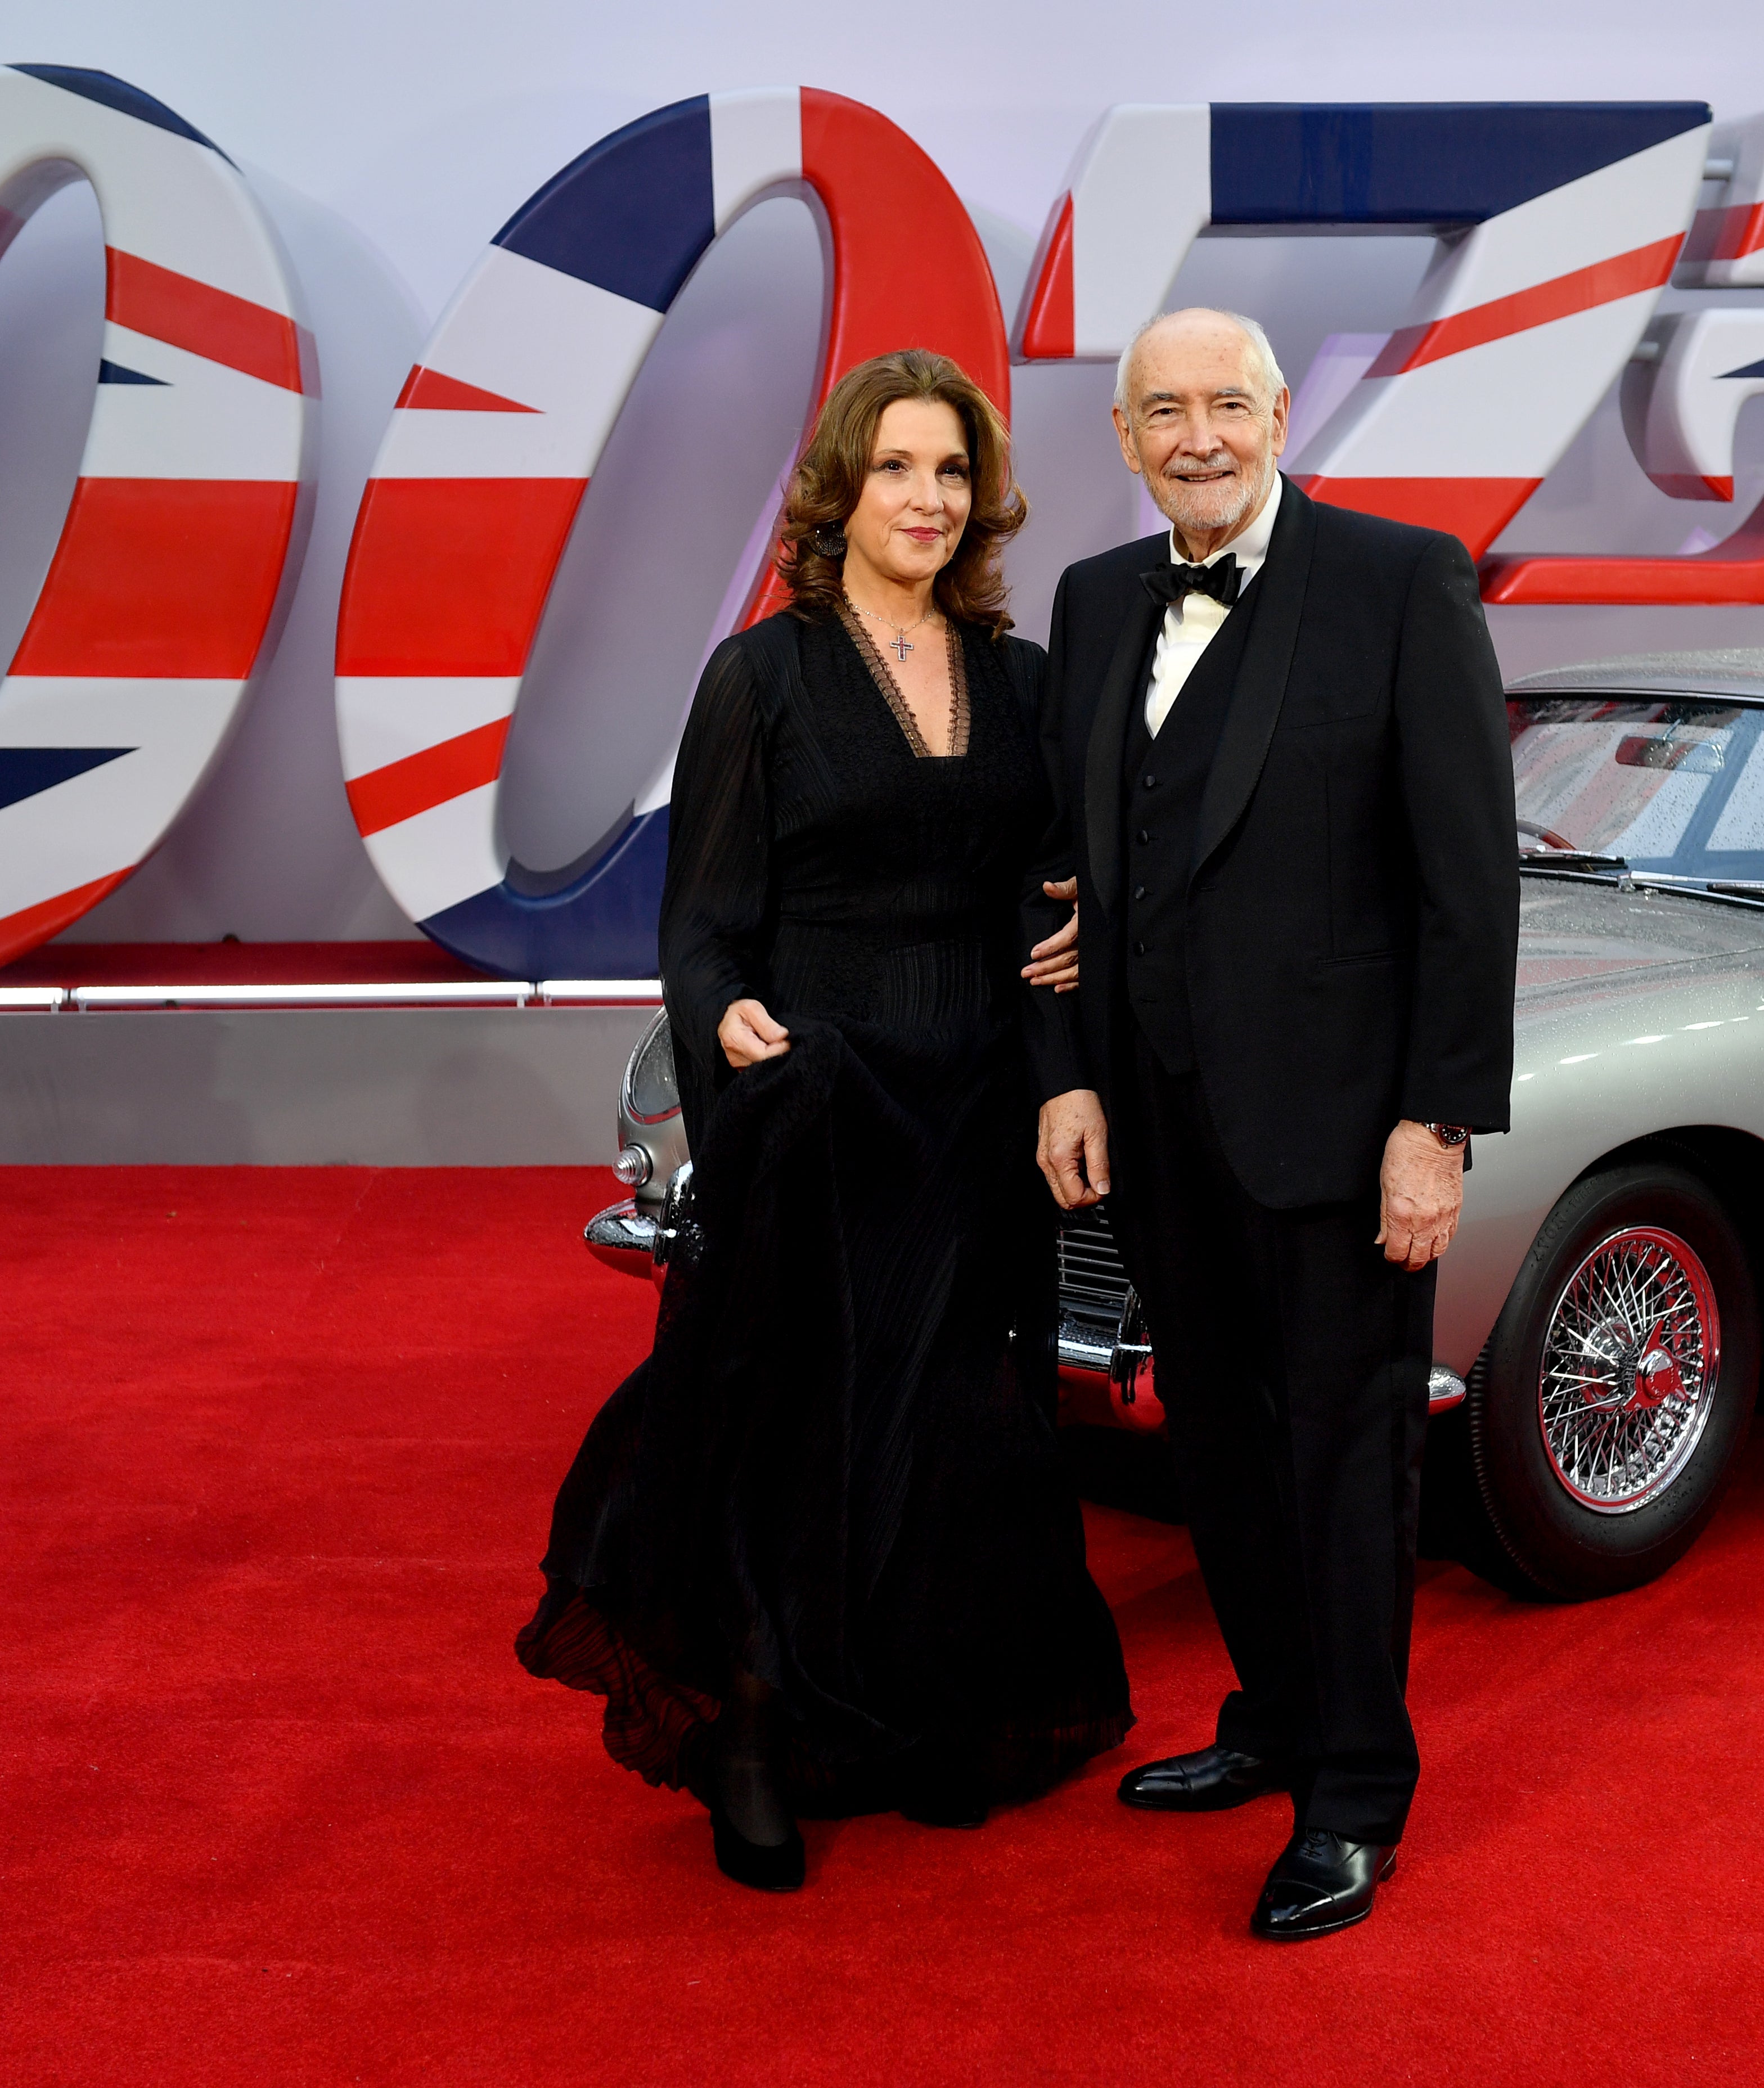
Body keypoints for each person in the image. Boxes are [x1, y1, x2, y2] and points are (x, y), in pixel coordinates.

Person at [517, 349, 1132, 1892]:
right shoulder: (764, 677)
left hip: (978, 1100)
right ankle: (752, 1735)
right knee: (789, 1427)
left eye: (949, 473)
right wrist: (726, 1023)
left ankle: (913, 1717)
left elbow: (1044, 902)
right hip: (821, 1101)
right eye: (896, 470)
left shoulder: (1025, 681)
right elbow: (704, 925)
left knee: (953, 1430)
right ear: (840, 493)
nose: (926, 499)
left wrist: (1070, 1019)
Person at [1027, 309, 1517, 1941]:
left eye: (1226, 404)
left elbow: (1466, 881)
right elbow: (1068, 876)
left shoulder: (1399, 580)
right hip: (1157, 1128)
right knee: (1221, 1451)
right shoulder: (1095, 601)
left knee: (1341, 1458)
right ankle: (1268, 1720)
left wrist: (1434, 1122)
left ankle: (1355, 1790)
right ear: (1122, 438)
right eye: (1162, 411)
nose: (1199, 436)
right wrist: (1069, 1072)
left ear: (1280, 413)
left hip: (1339, 1133)